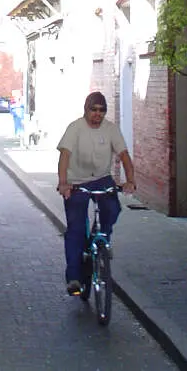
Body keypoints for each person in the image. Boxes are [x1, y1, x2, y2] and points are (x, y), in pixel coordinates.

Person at [56, 91, 136, 295]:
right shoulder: (75, 128)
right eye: (94, 109)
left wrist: (130, 180)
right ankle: (74, 277)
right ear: (86, 109)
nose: (97, 114)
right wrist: (63, 182)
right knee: (75, 228)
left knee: (112, 209)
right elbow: (65, 155)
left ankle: (99, 239)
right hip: (77, 181)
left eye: (102, 110)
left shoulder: (111, 129)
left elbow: (124, 156)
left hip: (101, 178)